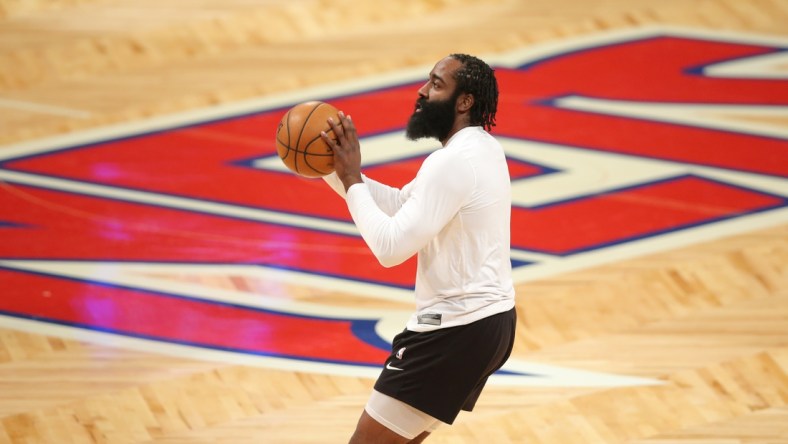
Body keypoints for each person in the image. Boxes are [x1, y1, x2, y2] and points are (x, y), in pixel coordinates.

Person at [320, 53, 516, 443]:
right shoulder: (479, 148)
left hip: (456, 330)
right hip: (487, 323)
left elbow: (390, 248)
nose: (422, 92)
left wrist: (352, 178)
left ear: (465, 101)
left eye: (436, 84)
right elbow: (398, 205)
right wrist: (332, 169)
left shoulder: (452, 162)